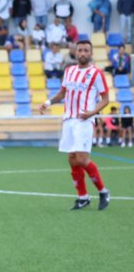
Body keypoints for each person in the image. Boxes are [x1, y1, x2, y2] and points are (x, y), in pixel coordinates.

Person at [39, 40, 111, 210]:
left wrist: (92, 113)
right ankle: (83, 197)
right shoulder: (69, 70)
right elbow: (62, 93)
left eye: (86, 50)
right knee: (72, 159)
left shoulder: (96, 73)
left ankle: (103, 191)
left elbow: (106, 99)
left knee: (82, 158)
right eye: (80, 50)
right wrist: (48, 102)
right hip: (69, 120)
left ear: (91, 53)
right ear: (76, 52)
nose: (83, 53)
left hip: (84, 120)